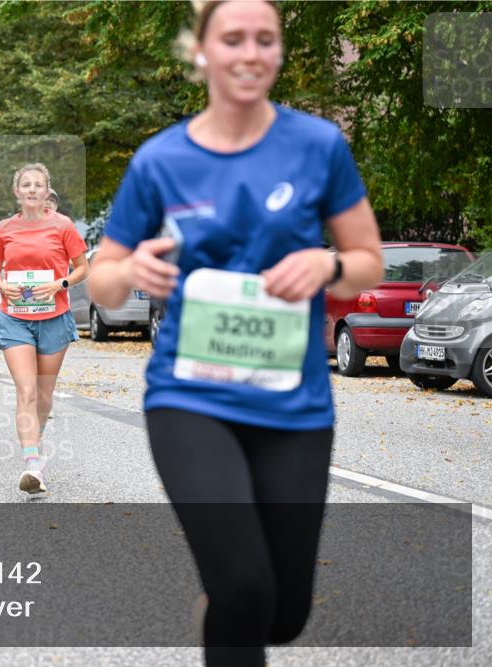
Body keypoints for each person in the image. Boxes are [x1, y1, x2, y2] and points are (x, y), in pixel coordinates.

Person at [87, 2, 384, 664]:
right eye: (233, 39)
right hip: (190, 397)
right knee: (243, 584)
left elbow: (366, 261)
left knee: (283, 612)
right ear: (202, 51)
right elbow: (101, 280)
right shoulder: (161, 159)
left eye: (265, 39)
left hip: (293, 403)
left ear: (279, 51)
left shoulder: (317, 147)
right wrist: (130, 267)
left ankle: (226, 612)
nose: (250, 53)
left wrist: (329, 262)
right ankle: (229, 604)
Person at [0, 163, 89, 494]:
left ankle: (36, 442)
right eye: (26, 185)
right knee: (27, 390)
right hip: (15, 317)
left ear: (47, 192)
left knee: (44, 395)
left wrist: (60, 283)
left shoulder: (63, 226)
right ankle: (32, 463)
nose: (32, 190)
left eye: (38, 185)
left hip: (54, 318)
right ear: (17, 191)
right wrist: (2, 285)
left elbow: (82, 268)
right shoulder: (4, 228)